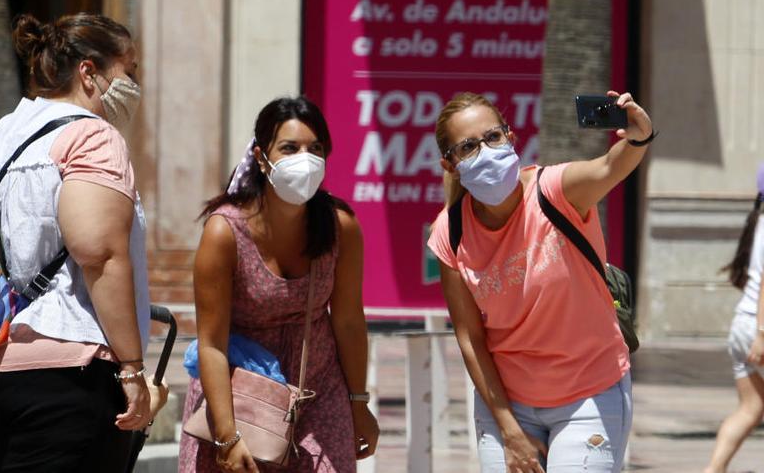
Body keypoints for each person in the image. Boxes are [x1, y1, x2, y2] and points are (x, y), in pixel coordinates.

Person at [0, 12, 163, 472]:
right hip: (62, 374)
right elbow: (98, 253)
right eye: (131, 70)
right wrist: (133, 369)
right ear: (89, 72)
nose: (136, 83)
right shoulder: (91, 136)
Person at [427, 91, 654, 472]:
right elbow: (470, 339)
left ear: (510, 138)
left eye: (492, 137)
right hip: (507, 405)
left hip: (589, 395)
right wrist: (509, 430)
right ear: (449, 165)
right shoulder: (449, 233)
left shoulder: (555, 191)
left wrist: (638, 136)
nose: (485, 150)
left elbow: (608, 167)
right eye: (468, 147)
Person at [179, 96, 380, 472]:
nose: (304, 158)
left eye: (315, 148)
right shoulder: (225, 233)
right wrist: (227, 434)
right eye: (289, 148)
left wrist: (359, 402)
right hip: (241, 400)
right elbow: (211, 343)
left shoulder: (340, 228)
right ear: (261, 156)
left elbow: (349, 321)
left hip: (319, 392)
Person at [704, 166, 764, 473]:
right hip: (758, 327)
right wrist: (762, 335)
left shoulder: (758, 222)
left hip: (742, 324)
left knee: (750, 409)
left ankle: (713, 470)